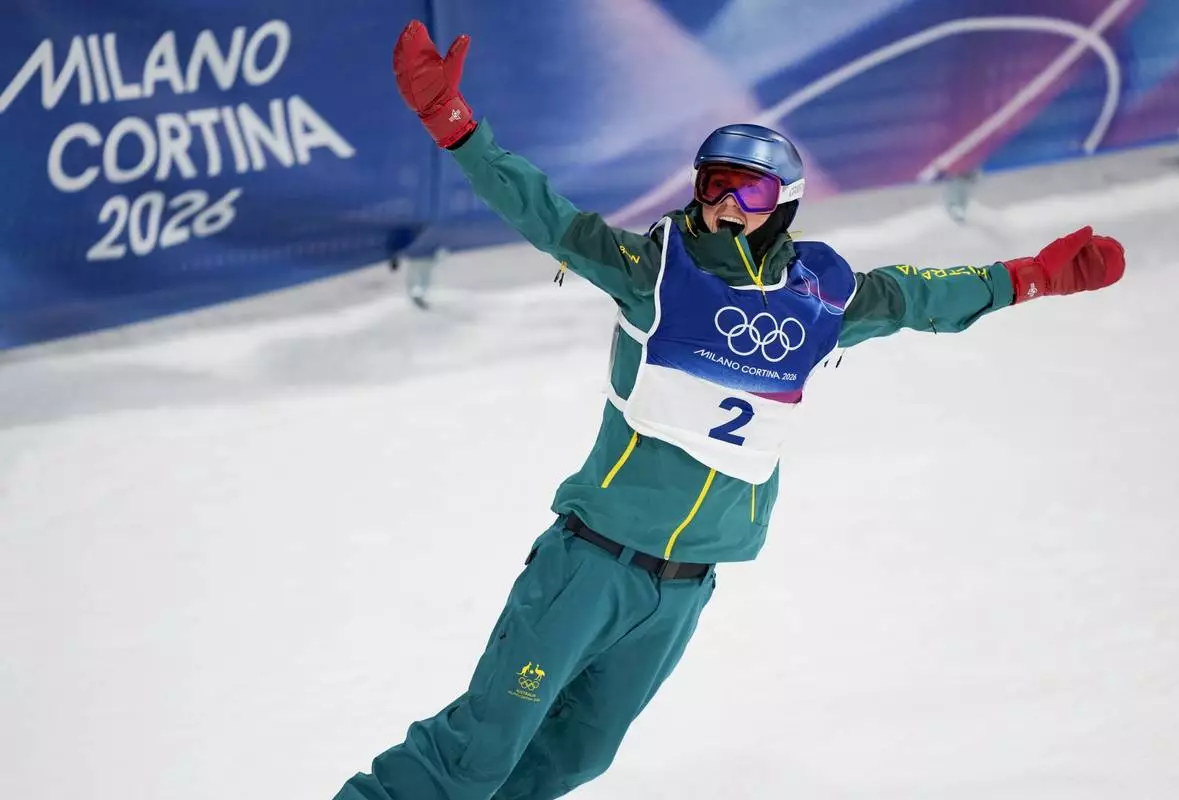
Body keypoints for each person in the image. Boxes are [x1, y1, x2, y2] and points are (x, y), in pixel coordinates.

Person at [333, 20, 1126, 800]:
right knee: (477, 755)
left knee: (569, 760)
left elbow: (921, 296)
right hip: (591, 566)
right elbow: (542, 211)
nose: (723, 203)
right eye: (713, 183)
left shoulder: (820, 299)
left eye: (747, 189)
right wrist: (455, 126)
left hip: (681, 591)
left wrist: (1032, 277)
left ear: (782, 205)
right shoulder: (654, 270)